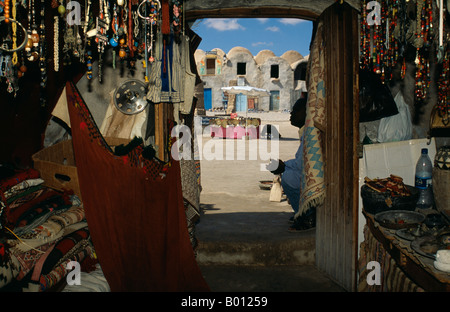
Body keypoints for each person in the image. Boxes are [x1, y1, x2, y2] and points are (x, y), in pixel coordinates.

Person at [267, 96, 316, 232]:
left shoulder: (310, 134)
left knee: (289, 177)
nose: (291, 114)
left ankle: (307, 215)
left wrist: (284, 166)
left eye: (296, 110)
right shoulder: (305, 132)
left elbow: (302, 164)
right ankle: (301, 212)